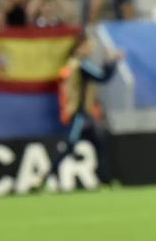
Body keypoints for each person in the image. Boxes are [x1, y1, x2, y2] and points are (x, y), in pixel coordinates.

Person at [47, 35, 122, 186]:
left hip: (83, 114)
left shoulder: (74, 64)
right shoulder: (80, 65)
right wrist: (111, 61)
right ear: (80, 47)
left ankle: (106, 179)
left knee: (98, 145)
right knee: (70, 146)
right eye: (88, 46)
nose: (90, 49)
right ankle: (47, 177)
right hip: (80, 115)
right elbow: (102, 77)